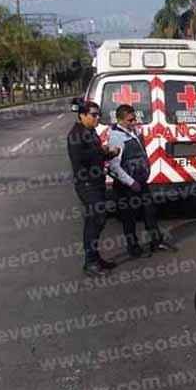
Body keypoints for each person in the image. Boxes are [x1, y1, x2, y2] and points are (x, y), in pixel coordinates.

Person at [67, 102, 119, 277]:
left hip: (97, 182)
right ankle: (90, 263)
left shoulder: (90, 132)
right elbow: (79, 159)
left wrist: (110, 153)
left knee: (100, 220)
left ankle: (96, 258)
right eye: (94, 115)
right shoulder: (76, 135)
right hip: (87, 184)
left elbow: (98, 154)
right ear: (82, 115)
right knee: (95, 221)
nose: (97, 118)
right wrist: (101, 152)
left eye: (98, 115)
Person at [108, 105, 166, 258]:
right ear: (120, 120)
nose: (134, 122)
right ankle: (133, 249)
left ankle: (156, 241)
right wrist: (130, 182)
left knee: (150, 212)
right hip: (126, 185)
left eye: (134, 119)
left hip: (140, 181)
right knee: (129, 217)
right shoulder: (116, 137)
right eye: (130, 120)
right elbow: (114, 166)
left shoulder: (133, 132)